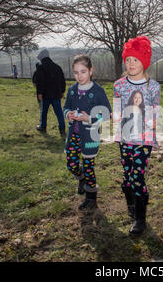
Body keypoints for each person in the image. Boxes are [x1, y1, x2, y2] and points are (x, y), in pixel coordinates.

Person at [113, 36, 161, 237]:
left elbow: (155, 112)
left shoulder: (153, 87)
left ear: (145, 62)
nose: (131, 64)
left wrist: (149, 120)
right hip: (125, 138)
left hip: (143, 140)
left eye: (136, 59)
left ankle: (140, 219)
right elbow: (116, 110)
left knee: (137, 177)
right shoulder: (119, 85)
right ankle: (131, 205)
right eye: (128, 60)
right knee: (127, 179)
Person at [63, 55, 112, 210]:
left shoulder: (98, 91)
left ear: (91, 71)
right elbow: (65, 107)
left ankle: (91, 197)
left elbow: (106, 114)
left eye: (83, 71)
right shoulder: (72, 90)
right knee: (71, 164)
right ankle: (81, 178)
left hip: (90, 136)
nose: (79, 76)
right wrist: (68, 114)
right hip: (73, 135)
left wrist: (88, 118)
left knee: (89, 165)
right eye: (76, 72)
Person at [34, 49, 67, 136]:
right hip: (56, 94)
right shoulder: (57, 67)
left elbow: (40, 81)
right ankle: (62, 129)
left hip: (45, 94)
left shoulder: (40, 67)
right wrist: (62, 91)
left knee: (44, 111)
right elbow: (62, 80)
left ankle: (43, 127)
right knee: (59, 112)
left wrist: (39, 93)